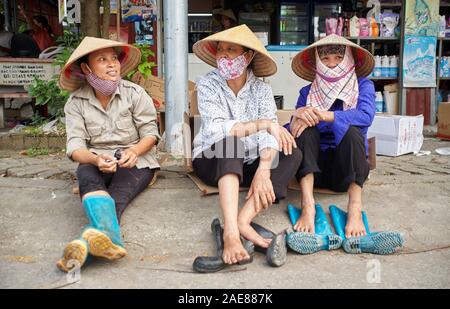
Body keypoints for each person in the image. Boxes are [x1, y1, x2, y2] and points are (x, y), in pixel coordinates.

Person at [192, 25, 301, 265]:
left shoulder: (262, 90)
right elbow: (218, 128)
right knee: (232, 142)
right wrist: (264, 124)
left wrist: (264, 168)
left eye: (231, 50)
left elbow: (270, 135)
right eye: (220, 50)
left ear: (248, 56)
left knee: (291, 151)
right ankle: (231, 231)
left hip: (250, 163)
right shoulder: (208, 84)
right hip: (214, 159)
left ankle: (244, 220)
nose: (223, 55)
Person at [56, 37, 160, 272]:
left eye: (114, 58)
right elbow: (75, 147)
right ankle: (111, 242)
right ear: (86, 69)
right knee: (85, 172)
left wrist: (133, 151)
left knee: (118, 195)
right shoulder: (75, 102)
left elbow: (151, 134)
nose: (112, 64)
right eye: (102, 60)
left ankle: (83, 245)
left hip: (136, 161)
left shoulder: (135, 93)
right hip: (97, 160)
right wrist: (95, 159)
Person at [288, 34, 376, 238]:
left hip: (344, 172)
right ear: (318, 63)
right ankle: (307, 204)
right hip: (312, 170)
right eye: (325, 60)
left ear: (349, 60)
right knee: (304, 127)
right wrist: (296, 116)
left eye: (338, 58)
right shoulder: (307, 92)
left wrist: (326, 115)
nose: (332, 65)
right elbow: (292, 130)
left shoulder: (363, 86)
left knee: (352, 130)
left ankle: (354, 207)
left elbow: (365, 116)